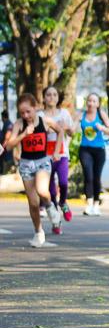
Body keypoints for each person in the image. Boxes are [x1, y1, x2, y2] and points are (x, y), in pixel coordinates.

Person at [7, 94, 64, 246]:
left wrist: (57, 151)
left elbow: (60, 131)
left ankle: (50, 206)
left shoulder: (44, 121)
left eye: (28, 112)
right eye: (22, 113)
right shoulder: (19, 124)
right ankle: (39, 232)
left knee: (42, 191)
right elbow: (9, 146)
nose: (26, 115)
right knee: (33, 203)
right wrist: (24, 135)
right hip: (26, 164)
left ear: (35, 108)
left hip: (42, 162)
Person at [76, 93, 109, 217]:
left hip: (99, 150)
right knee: (88, 176)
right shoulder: (81, 115)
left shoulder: (101, 115)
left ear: (98, 104)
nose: (91, 103)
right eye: (89, 101)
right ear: (86, 102)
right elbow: (72, 128)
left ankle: (96, 205)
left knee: (96, 177)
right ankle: (89, 204)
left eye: (94, 101)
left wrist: (102, 128)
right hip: (85, 149)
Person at [42, 86, 74, 227]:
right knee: (51, 189)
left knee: (63, 182)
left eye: (55, 95)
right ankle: (56, 221)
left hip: (61, 154)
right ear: (44, 98)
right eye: (49, 95)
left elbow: (71, 133)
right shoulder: (39, 115)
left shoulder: (64, 113)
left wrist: (67, 126)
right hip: (45, 156)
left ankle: (63, 202)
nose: (52, 98)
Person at [1, 109, 14, 175]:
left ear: (3, 116)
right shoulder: (5, 123)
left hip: (6, 147)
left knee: (8, 161)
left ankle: (9, 172)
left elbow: (7, 136)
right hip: (5, 146)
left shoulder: (8, 124)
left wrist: (3, 146)